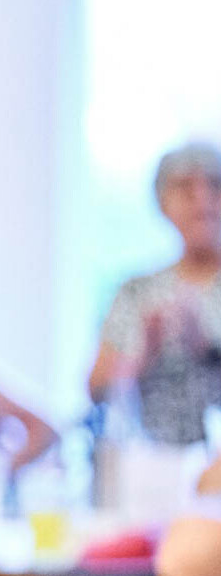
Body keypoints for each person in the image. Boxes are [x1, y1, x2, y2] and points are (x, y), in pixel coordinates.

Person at [89, 141, 221, 446]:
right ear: (163, 203)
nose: (202, 202)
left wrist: (206, 346)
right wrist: (143, 352)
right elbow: (96, 390)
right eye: (186, 190)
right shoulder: (137, 292)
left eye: (215, 187)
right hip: (152, 468)